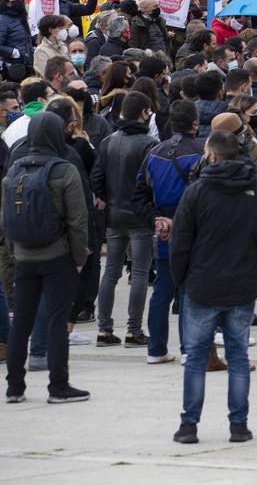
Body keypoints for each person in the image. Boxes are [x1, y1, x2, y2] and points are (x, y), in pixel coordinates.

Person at [170, 131, 257, 443]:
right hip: (241, 287)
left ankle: (189, 425)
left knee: (195, 358)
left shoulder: (197, 192)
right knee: (239, 357)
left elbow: (180, 241)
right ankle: (239, 425)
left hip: (202, 285)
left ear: (214, 156)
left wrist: (182, 280)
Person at [2, 112, 90, 404]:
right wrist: (79, 258)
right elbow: (78, 221)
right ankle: (58, 386)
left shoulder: (14, 170)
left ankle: (15, 387)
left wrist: (14, 252)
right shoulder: (64, 170)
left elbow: (6, 220)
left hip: (24, 256)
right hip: (58, 256)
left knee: (22, 323)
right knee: (56, 321)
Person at [135, 100, 204, 365]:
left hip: (163, 228)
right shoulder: (201, 151)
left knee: (163, 288)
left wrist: (155, 219)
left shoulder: (154, 153)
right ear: (194, 123)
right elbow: (205, 193)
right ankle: (189, 348)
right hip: (192, 229)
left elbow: (138, 194)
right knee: (188, 290)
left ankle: (156, 348)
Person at [91, 90, 158, 347]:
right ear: (143, 113)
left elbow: (96, 177)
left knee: (110, 272)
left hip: (114, 214)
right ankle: (133, 330)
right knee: (140, 272)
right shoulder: (149, 144)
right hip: (140, 215)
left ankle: (104, 330)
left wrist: (105, 197)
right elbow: (152, 182)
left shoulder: (109, 141)